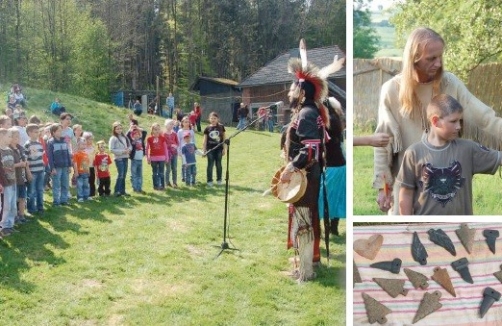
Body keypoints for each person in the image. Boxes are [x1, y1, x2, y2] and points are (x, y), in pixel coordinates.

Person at [373, 27, 502, 215]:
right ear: (414, 58)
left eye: (440, 56)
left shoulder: (450, 83)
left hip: (449, 192)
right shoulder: (391, 90)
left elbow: (485, 118)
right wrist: (382, 187)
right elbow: (382, 141)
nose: (438, 63)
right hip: (407, 192)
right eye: (431, 58)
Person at [397, 94, 502, 215]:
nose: (458, 126)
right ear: (435, 121)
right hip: (425, 229)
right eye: (453, 121)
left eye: (460, 121)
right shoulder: (414, 153)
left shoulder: (468, 149)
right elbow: (406, 192)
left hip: (462, 229)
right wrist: (407, 224)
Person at [279, 50, 329, 282]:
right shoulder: (309, 111)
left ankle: (306, 271)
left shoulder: (307, 113)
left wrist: (290, 167)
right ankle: (305, 265)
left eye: (292, 88)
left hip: (306, 177)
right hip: (308, 175)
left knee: (304, 220)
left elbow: (311, 149)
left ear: (300, 91)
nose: (290, 91)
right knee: (304, 218)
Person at [319, 97, 346, 236]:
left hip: (332, 165)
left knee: (326, 197)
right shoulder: (335, 120)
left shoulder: (328, 122)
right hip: (339, 165)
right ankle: (333, 228)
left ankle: (329, 227)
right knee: (336, 197)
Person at [47, 123, 73, 206]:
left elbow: (67, 154)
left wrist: (69, 165)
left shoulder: (64, 141)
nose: (60, 132)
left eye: (61, 130)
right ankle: (56, 201)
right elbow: (50, 157)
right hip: (56, 167)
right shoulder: (51, 142)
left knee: (65, 184)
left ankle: (64, 200)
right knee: (56, 185)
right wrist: (52, 168)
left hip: (65, 166)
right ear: (53, 132)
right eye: (58, 131)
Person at [10, 127, 31, 224]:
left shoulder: (21, 148)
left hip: (22, 178)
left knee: (23, 197)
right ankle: (14, 217)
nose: (18, 138)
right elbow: (8, 166)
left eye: (18, 136)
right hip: (14, 178)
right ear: (9, 138)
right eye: (15, 137)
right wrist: (19, 164)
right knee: (15, 199)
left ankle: (22, 215)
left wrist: (28, 172)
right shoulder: (8, 150)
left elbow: (25, 162)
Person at [25, 124, 45, 215]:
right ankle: (31, 209)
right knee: (31, 191)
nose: (38, 134)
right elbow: (25, 161)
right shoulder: (27, 145)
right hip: (32, 172)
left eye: (38, 132)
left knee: (40, 189)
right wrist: (28, 172)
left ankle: (40, 207)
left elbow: (41, 157)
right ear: (29, 133)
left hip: (41, 171)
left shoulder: (39, 144)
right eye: (35, 132)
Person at [0, 128, 17, 236]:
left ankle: (10, 225)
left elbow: (12, 165)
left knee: (12, 205)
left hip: (13, 181)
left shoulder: (10, 150)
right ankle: (3, 226)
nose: (10, 138)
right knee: (6, 206)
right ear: (1, 136)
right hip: (5, 183)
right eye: (9, 136)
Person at [202, 112, 226, 187]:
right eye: (211, 118)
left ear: (217, 119)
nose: (213, 120)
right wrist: (204, 150)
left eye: (214, 118)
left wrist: (224, 149)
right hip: (210, 150)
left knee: (218, 164)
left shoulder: (221, 127)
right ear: (209, 119)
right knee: (210, 165)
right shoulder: (207, 128)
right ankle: (209, 181)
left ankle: (219, 180)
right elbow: (205, 140)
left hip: (219, 149)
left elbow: (224, 139)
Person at [108, 122, 131, 197]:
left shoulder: (125, 137)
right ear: (114, 129)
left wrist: (129, 150)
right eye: (117, 129)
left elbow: (130, 146)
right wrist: (122, 151)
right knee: (120, 174)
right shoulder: (113, 138)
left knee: (124, 175)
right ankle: (117, 191)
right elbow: (111, 149)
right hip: (119, 159)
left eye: (120, 128)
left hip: (125, 158)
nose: (119, 130)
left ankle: (122, 191)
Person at [146, 123, 169, 191]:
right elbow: (147, 149)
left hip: (162, 158)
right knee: (154, 173)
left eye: (158, 129)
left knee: (161, 173)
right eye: (155, 129)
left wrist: (166, 157)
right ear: (152, 130)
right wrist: (148, 158)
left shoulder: (162, 138)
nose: (157, 131)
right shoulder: (149, 138)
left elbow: (165, 148)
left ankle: (162, 186)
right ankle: (155, 186)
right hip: (153, 159)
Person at [128, 126, 146, 194]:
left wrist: (138, 128)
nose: (137, 135)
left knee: (140, 175)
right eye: (135, 134)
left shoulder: (141, 140)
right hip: (134, 160)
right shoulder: (132, 141)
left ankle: (139, 188)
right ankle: (135, 188)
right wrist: (130, 128)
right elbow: (127, 135)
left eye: (138, 134)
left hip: (140, 160)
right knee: (134, 174)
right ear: (132, 135)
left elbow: (144, 132)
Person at [72, 138, 91, 203]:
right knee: (80, 185)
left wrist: (88, 171)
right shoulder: (76, 154)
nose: (84, 145)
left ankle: (86, 196)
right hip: (79, 173)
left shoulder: (86, 154)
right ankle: (80, 197)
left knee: (86, 185)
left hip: (85, 172)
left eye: (85, 144)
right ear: (78, 145)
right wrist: (76, 172)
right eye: (82, 144)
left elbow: (87, 163)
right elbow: (75, 163)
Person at [177, 116, 195, 183]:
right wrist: (178, 151)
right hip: (183, 150)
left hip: (190, 150)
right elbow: (178, 141)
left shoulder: (191, 131)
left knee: (190, 164)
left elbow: (193, 141)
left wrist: (194, 150)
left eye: (188, 122)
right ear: (182, 123)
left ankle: (190, 176)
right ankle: (183, 177)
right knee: (184, 164)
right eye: (185, 122)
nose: (187, 123)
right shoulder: (180, 131)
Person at [164, 119, 179, 188]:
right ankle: (166, 182)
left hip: (174, 153)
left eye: (172, 124)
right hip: (167, 154)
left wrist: (175, 146)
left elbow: (177, 142)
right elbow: (163, 144)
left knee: (174, 168)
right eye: (170, 124)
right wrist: (170, 146)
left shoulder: (174, 134)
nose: (171, 125)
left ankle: (175, 182)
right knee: (168, 168)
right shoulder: (163, 134)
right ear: (166, 125)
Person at [83, 132, 96, 197]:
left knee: (92, 180)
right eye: (89, 139)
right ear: (85, 139)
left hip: (91, 166)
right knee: (85, 180)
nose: (91, 141)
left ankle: (92, 193)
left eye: (91, 139)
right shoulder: (83, 148)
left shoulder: (93, 147)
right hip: (85, 167)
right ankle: (85, 193)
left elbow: (94, 156)